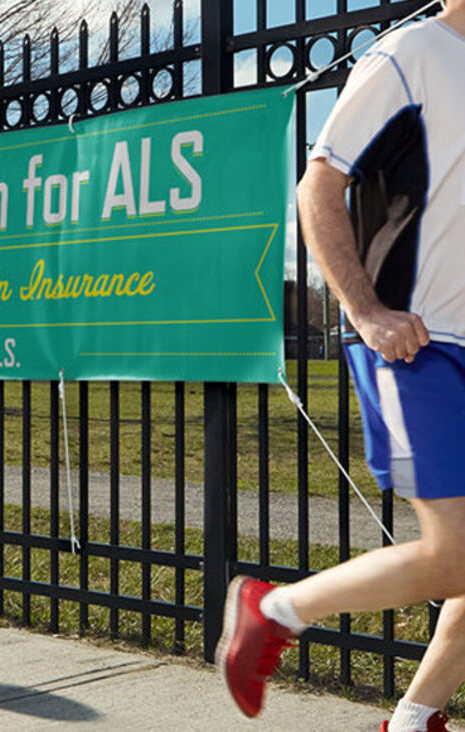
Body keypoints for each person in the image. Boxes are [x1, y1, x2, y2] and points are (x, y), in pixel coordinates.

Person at [218, 3, 465, 732]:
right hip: (414, 341)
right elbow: (318, 185)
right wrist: (364, 311)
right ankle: (273, 609)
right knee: (455, 556)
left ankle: (415, 719)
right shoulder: (410, 53)